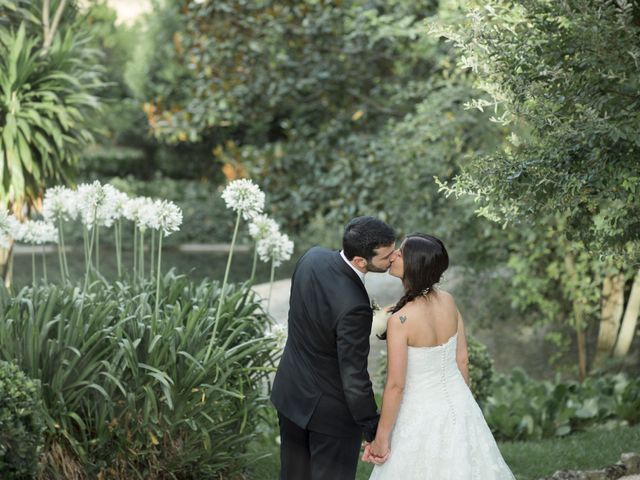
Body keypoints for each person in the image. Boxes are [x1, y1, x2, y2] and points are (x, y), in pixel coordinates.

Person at [363, 233, 515, 479]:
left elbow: (395, 386)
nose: (394, 256)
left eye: (401, 253)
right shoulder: (448, 301)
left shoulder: (401, 320)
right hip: (460, 405)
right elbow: (462, 360)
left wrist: (381, 439)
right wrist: (461, 405)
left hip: (420, 413)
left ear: (414, 265)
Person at [271, 216, 396, 480]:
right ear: (362, 261)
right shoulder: (355, 306)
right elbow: (353, 375)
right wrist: (371, 425)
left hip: (291, 392)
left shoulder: (311, 258)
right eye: (386, 257)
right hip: (330, 413)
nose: (393, 258)